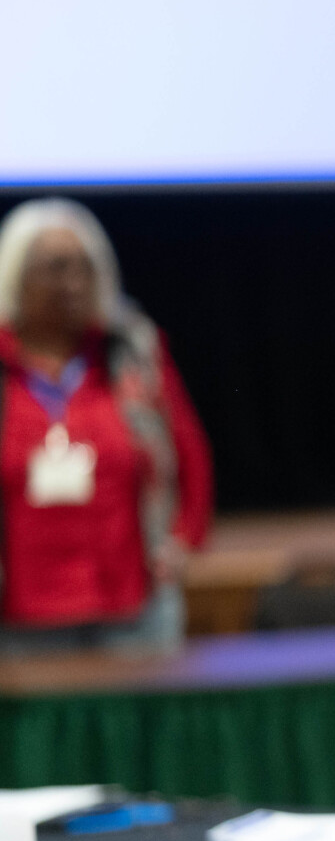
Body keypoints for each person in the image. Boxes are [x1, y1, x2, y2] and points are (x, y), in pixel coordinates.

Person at [0, 198, 211, 653]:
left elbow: (188, 455)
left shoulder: (131, 356)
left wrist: (180, 543)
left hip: (129, 604)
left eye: (86, 268)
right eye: (56, 268)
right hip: (18, 612)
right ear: (15, 276)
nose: (73, 283)